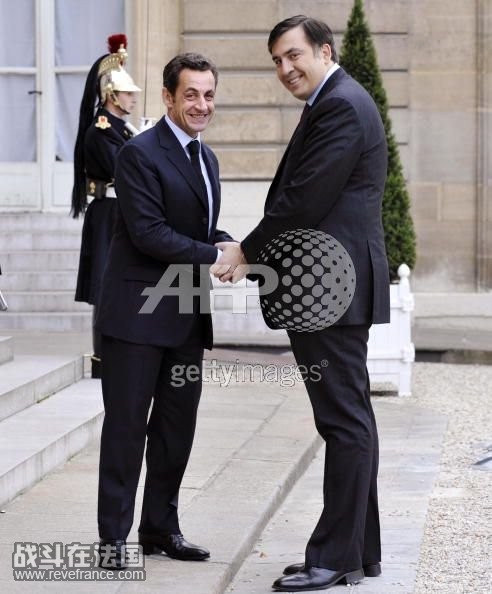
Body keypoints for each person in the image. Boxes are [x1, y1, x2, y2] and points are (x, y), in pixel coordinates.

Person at [212, 15, 390, 592]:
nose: (285, 68)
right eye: (276, 61)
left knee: (343, 421)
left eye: (294, 55)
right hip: (332, 284)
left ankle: (335, 557)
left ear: (324, 51)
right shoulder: (334, 101)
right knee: (351, 417)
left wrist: (246, 251)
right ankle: (357, 551)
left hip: (328, 288)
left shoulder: (340, 105)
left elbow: (304, 199)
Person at [94, 52, 233, 569]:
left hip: (187, 314)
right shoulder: (139, 153)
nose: (201, 105)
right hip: (137, 318)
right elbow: (149, 233)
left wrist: (230, 243)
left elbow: (198, 230)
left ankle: (160, 528)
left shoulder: (207, 158)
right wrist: (216, 255)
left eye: (209, 94)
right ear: (168, 97)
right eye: (191, 94)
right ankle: (113, 540)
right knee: (127, 430)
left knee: (176, 432)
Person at [71, 34, 141, 379]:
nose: (133, 98)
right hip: (108, 214)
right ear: (112, 96)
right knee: (104, 286)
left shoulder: (121, 130)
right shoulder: (101, 131)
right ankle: (103, 359)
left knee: (122, 285)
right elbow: (123, 171)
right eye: (127, 93)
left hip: (119, 213)